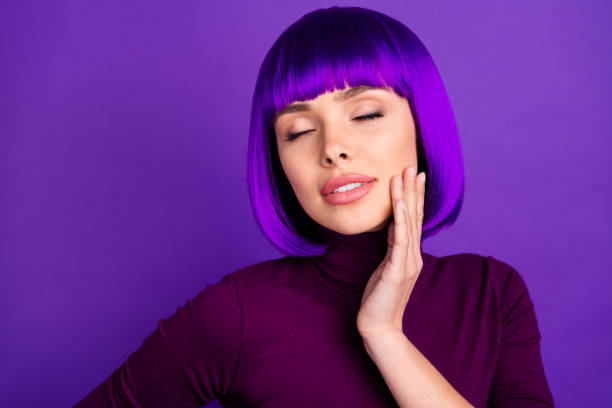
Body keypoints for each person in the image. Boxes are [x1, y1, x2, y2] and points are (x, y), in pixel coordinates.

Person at [74, 6, 555, 407]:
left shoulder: (492, 294)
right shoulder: (236, 313)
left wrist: (384, 335)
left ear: (422, 125)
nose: (332, 148)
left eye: (365, 114)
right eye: (299, 131)